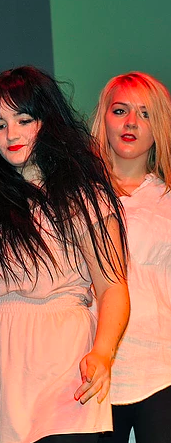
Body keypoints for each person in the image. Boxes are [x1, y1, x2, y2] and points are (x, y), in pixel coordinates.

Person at [0, 66, 130, 443]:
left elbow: (113, 287)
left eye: (23, 120)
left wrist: (102, 353)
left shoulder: (83, 199)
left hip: (63, 370)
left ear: (47, 122)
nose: (11, 134)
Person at [91, 72, 171, 443]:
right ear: (104, 118)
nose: (131, 123)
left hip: (161, 369)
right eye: (120, 110)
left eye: (145, 113)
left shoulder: (166, 198)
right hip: (90, 371)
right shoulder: (77, 196)